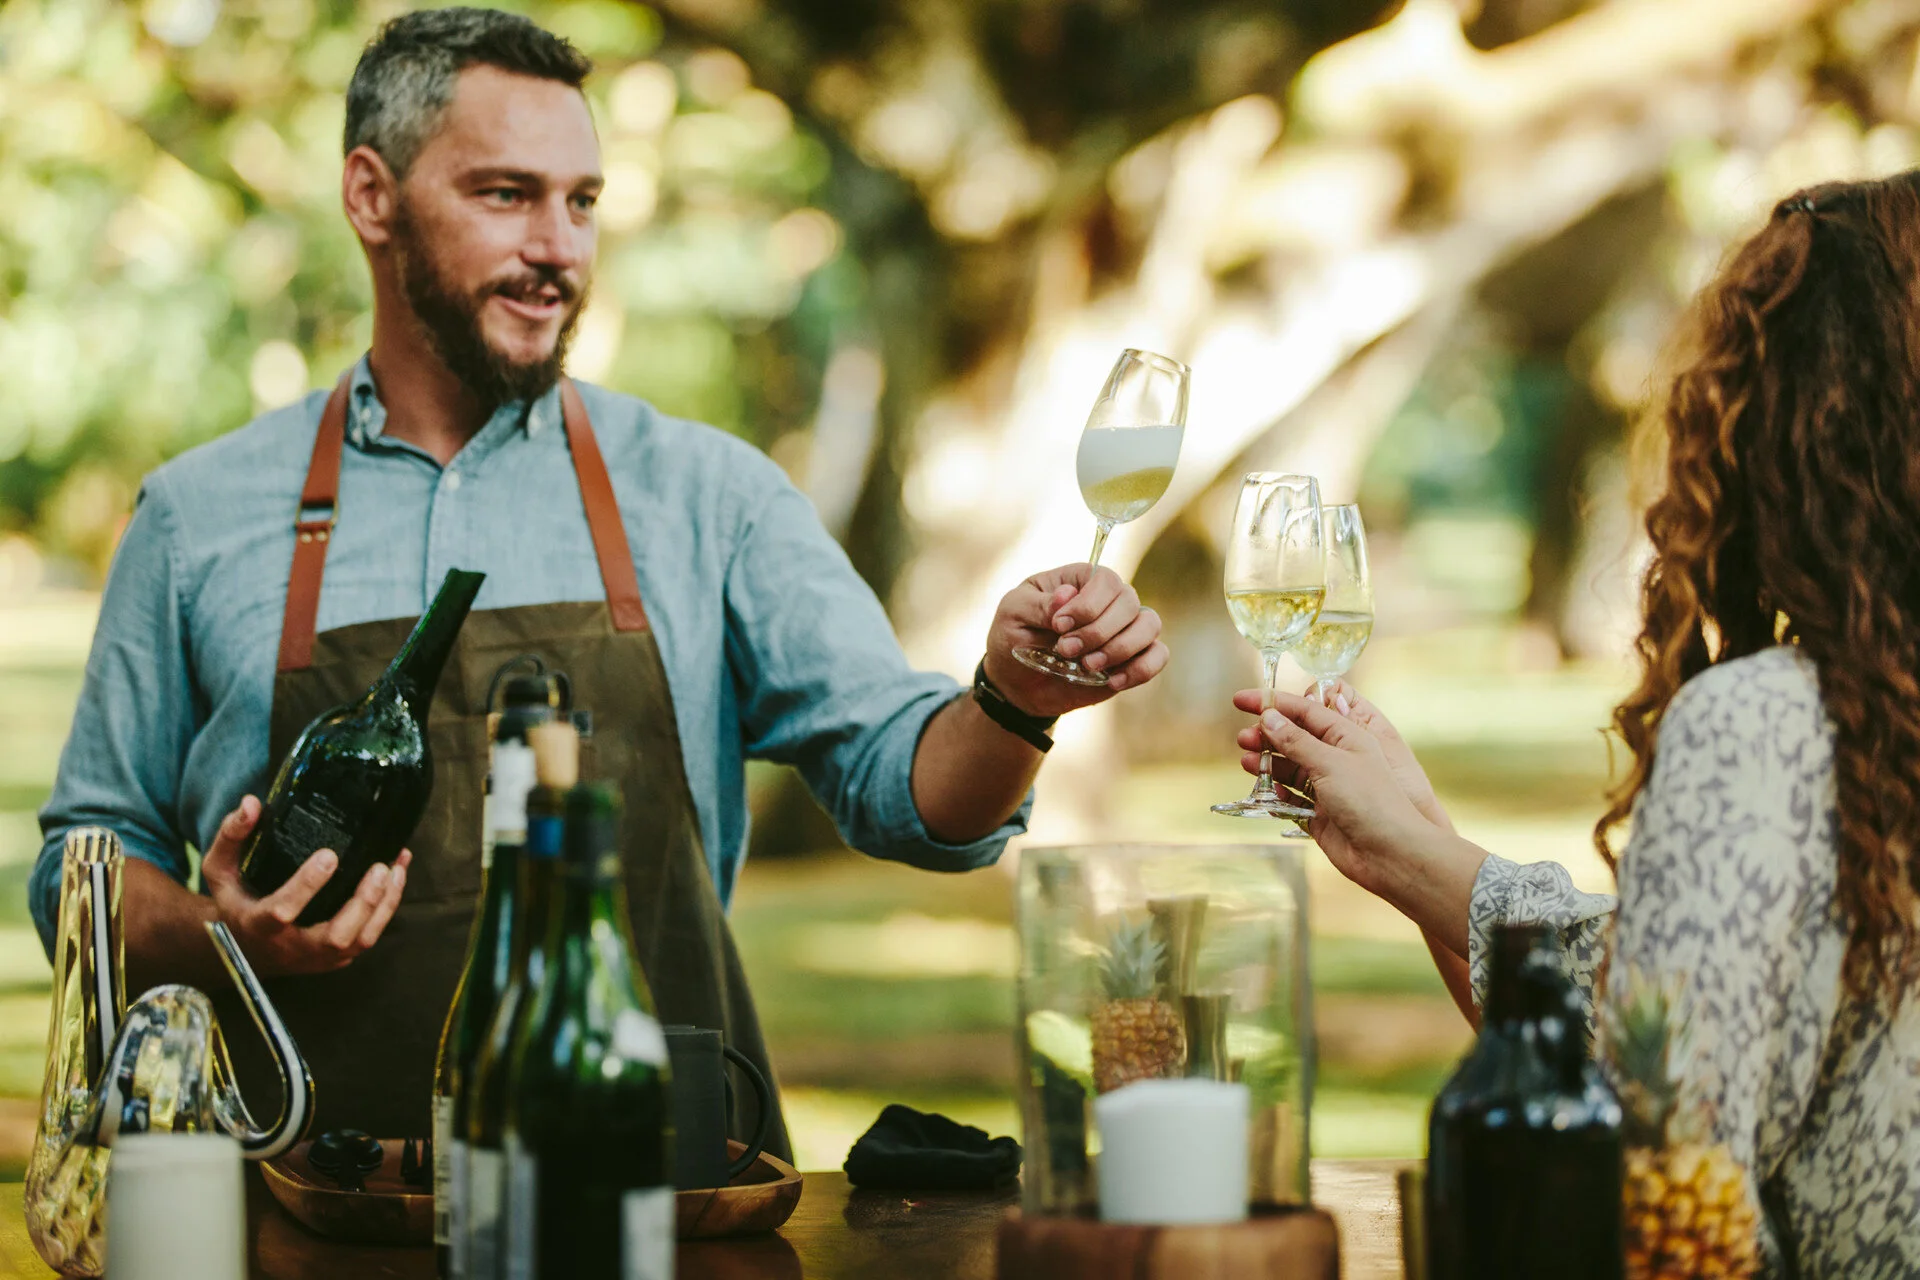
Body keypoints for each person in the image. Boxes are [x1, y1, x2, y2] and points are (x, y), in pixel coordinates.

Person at [32, 8, 1168, 1148]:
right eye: (505, 194)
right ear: (371, 196)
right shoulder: (198, 514)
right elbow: (81, 866)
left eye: (581, 201)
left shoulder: (705, 494)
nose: (558, 247)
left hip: (657, 1187)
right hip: (302, 1198)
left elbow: (907, 791)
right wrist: (221, 928)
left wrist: (1017, 696)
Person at [1242, 172, 1920, 1275]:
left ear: (1799, 423)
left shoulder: (1768, 726)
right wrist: (1421, 851)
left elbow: (1664, 1181)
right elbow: (1737, 996)